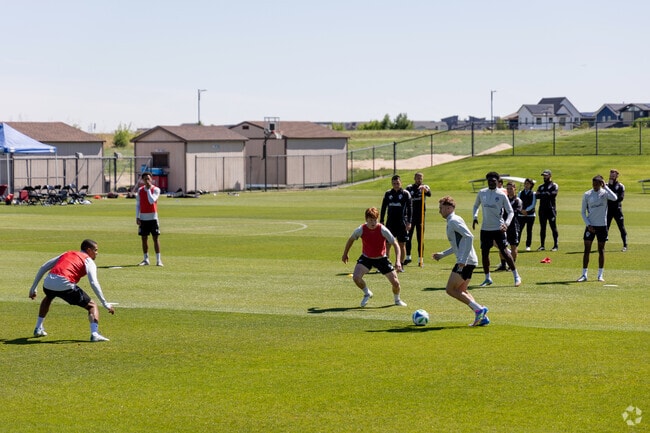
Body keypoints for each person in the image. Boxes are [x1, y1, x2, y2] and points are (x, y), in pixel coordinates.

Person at [28, 239, 115, 342]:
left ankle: (38, 328)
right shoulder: (88, 261)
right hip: (65, 284)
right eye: (95, 250)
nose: (97, 253)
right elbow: (93, 283)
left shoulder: (67, 253)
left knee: (49, 297)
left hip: (48, 282)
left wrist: (33, 287)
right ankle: (95, 334)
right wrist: (105, 303)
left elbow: (44, 267)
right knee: (92, 305)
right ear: (88, 250)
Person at [433, 196, 490, 326]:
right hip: (469, 260)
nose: (439, 211)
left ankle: (479, 309)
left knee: (450, 289)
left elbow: (469, 237)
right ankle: (482, 317)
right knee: (462, 290)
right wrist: (442, 255)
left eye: (441, 208)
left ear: (449, 208)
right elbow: (458, 244)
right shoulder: (453, 220)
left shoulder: (453, 221)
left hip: (466, 261)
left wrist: (462, 259)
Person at [342, 207, 407, 307]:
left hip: (381, 259)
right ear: (366, 219)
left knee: (396, 283)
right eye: (370, 220)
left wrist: (398, 261)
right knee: (356, 278)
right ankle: (367, 293)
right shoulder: (361, 229)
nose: (373, 223)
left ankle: (397, 300)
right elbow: (351, 240)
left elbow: (395, 244)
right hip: (366, 258)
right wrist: (345, 253)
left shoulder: (383, 229)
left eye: (375, 220)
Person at [472, 172, 522, 287]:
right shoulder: (482, 193)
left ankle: (516, 276)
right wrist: (475, 216)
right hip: (485, 229)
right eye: (489, 181)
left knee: (504, 251)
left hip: (498, 228)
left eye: (494, 181)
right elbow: (475, 205)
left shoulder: (501, 194)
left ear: (497, 182)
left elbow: (510, 211)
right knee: (484, 253)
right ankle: (487, 278)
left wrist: (507, 224)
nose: (491, 183)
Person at [577, 175, 617, 282]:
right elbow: (582, 212)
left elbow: (615, 198)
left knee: (601, 250)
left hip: (602, 226)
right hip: (590, 226)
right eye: (593, 184)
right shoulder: (587, 194)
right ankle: (584, 274)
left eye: (597, 184)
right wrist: (588, 225)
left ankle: (600, 275)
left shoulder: (605, 193)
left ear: (601, 184)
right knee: (587, 250)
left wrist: (606, 187)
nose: (594, 186)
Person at [380, 175, 412, 268]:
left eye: (397, 183)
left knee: (402, 244)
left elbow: (410, 209)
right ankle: (386, 264)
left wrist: (409, 222)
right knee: (387, 244)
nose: (396, 185)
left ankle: (400, 264)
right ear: (392, 184)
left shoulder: (406, 194)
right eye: (394, 183)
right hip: (390, 223)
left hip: (402, 223)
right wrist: (382, 220)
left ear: (400, 183)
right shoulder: (388, 193)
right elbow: (383, 208)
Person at [136, 172, 163, 266]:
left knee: (155, 238)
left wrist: (148, 190)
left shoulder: (156, 189)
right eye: (145, 179)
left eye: (148, 178)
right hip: (143, 217)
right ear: (142, 180)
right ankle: (146, 259)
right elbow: (138, 204)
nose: (147, 180)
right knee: (144, 239)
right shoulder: (140, 190)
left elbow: (151, 201)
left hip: (153, 217)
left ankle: (158, 260)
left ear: (151, 179)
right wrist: (137, 216)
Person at [405, 172, 432, 266]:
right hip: (411, 216)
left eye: (420, 178)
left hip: (421, 217)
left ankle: (421, 259)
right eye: (417, 178)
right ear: (414, 178)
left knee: (420, 238)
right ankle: (408, 257)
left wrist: (425, 190)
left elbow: (429, 194)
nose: (419, 180)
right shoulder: (409, 188)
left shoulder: (425, 187)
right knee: (408, 237)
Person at [495, 181, 523, 271]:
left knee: (513, 246)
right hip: (503, 225)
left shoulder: (518, 200)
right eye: (508, 189)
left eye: (511, 188)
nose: (509, 190)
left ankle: (512, 265)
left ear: (515, 189)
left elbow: (515, 212)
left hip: (513, 226)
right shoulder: (504, 199)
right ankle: (503, 265)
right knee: (501, 245)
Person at [536, 169, 559, 251]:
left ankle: (555, 245)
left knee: (553, 227)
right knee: (542, 228)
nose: (544, 177)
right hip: (542, 210)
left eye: (546, 175)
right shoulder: (541, 186)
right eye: (544, 175)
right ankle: (542, 245)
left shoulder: (554, 185)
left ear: (550, 175)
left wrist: (543, 194)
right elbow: (536, 196)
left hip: (551, 210)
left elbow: (553, 194)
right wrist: (546, 194)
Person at [606, 169, 628, 252]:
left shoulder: (620, 186)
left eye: (613, 176)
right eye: (611, 175)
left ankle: (625, 245)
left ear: (617, 176)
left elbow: (620, 198)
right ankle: (602, 245)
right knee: (605, 227)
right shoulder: (606, 185)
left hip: (617, 210)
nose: (611, 177)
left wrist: (612, 192)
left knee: (621, 227)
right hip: (608, 210)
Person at [518, 178, 537, 251]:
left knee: (529, 231)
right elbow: (519, 202)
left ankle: (528, 245)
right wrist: (522, 210)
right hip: (521, 214)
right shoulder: (520, 193)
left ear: (531, 185)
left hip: (530, 215)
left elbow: (533, 204)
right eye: (525, 183)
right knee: (519, 230)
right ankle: (516, 244)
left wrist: (526, 210)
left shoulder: (533, 193)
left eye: (528, 184)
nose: (526, 185)